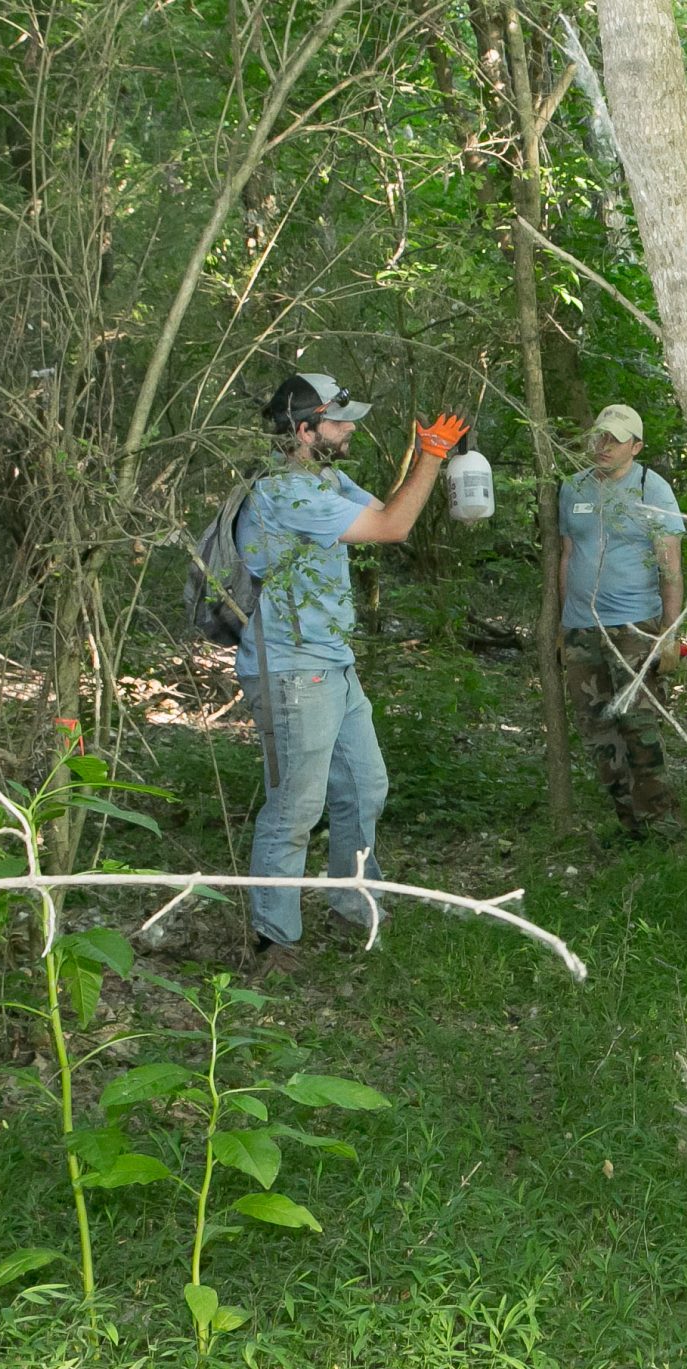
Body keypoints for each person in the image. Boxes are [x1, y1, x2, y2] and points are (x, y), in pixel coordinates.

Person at [235, 373, 466, 978]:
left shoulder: (326, 479)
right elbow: (395, 529)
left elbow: (386, 512)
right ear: (304, 430)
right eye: (339, 422)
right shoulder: (284, 493)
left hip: (331, 662)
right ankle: (272, 940)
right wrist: (431, 457)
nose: (351, 429)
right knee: (295, 806)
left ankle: (351, 905)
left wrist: (429, 459)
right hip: (291, 670)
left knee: (365, 787)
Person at [559, 404, 687, 843]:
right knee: (597, 730)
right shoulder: (572, 488)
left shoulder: (653, 489)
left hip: (634, 627)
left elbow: (670, 565)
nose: (603, 446)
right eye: (599, 437)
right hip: (581, 629)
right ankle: (629, 825)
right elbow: (567, 555)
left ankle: (662, 825)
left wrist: (669, 633)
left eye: (614, 440)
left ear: (636, 446)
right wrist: (562, 626)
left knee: (639, 726)